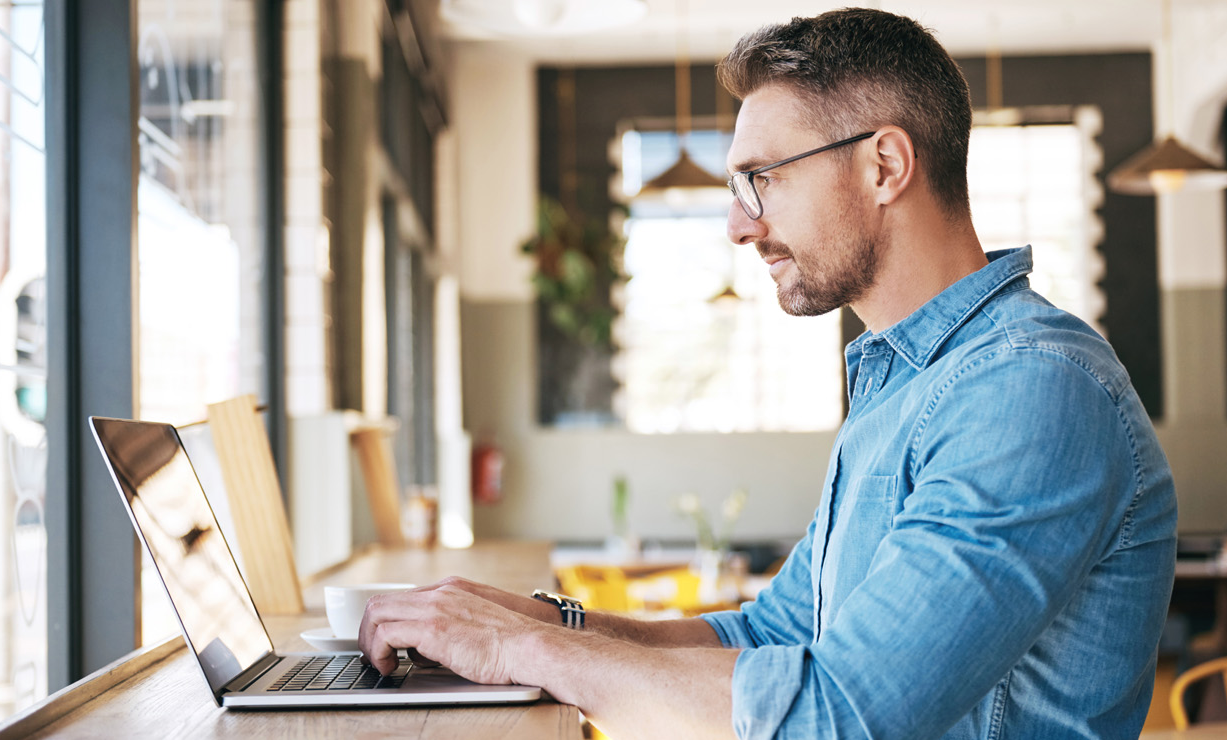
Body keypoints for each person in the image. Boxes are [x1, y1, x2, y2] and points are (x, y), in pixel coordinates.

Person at [358, 8, 1178, 739]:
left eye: (762, 178)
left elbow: (841, 716)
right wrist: (548, 622)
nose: (738, 225)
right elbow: (773, 635)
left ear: (885, 166)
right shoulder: (904, 383)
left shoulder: (1028, 388)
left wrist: (518, 648)